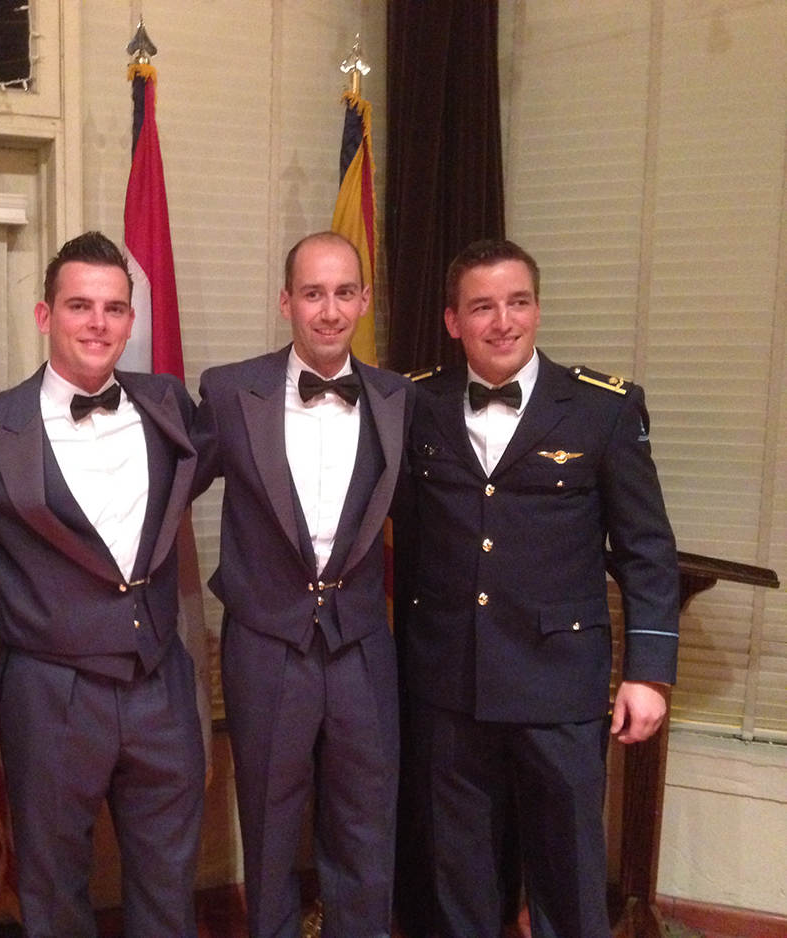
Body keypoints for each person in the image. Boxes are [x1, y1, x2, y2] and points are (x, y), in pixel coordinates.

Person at [396, 238, 679, 938]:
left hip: (558, 685)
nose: (503, 322)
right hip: (450, 684)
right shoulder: (413, 403)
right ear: (452, 321)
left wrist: (649, 673)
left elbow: (645, 548)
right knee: (456, 878)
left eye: (517, 302)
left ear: (538, 310)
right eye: (482, 307)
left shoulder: (602, 409)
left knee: (569, 876)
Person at [0, 231, 204, 937]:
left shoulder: (169, 405)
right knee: (54, 893)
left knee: (169, 889)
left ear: (131, 320)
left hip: (160, 683)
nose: (98, 323)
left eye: (114, 308)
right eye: (80, 305)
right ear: (45, 315)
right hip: (50, 694)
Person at [191, 231, 414, 937]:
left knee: (367, 830)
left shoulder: (398, 397)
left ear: (364, 300)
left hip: (362, 646)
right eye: (313, 293)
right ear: (285, 301)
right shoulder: (230, 391)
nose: (329, 310)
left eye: (344, 292)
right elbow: (162, 486)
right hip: (266, 644)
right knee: (269, 829)